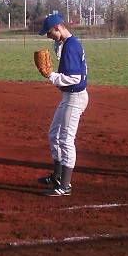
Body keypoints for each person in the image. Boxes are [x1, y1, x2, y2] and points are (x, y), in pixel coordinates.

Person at [37, 13, 88, 197]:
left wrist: (52, 76)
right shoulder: (66, 44)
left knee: (66, 139)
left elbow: (75, 78)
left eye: (49, 33)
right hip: (69, 96)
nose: (48, 36)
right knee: (53, 134)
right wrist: (57, 45)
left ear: (58, 28)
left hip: (75, 97)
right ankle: (57, 176)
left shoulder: (71, 46)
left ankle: (65, 185)